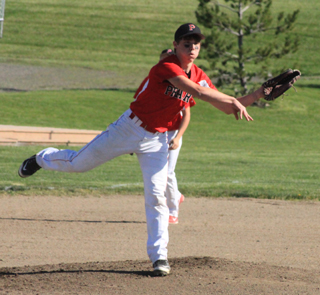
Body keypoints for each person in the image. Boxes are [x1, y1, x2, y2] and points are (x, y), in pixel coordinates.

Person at [18, 23, 265, 276]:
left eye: (196, 44)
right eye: (186, 44)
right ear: (176, 45)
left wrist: (259, 94)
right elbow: (198, 92)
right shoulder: (166, 66)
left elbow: (227, 108)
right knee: (77, 164)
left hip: (157, 141)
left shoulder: (200, 74)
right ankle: (42, 158)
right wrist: (232, 98)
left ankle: (159, 257)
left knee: (157, 196)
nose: (192, 48)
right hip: (129, 128)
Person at [134, 48, 199, 225]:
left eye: (170, 61)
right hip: (154, 132)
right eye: (163, 61)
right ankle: (176, 196)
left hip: (172, 133)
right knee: (161, 172)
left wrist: (178, 137)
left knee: (168, 172)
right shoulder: (152, 80)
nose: (166, 65)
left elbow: (186, 115)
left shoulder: (183, 84)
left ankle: (173, 211)